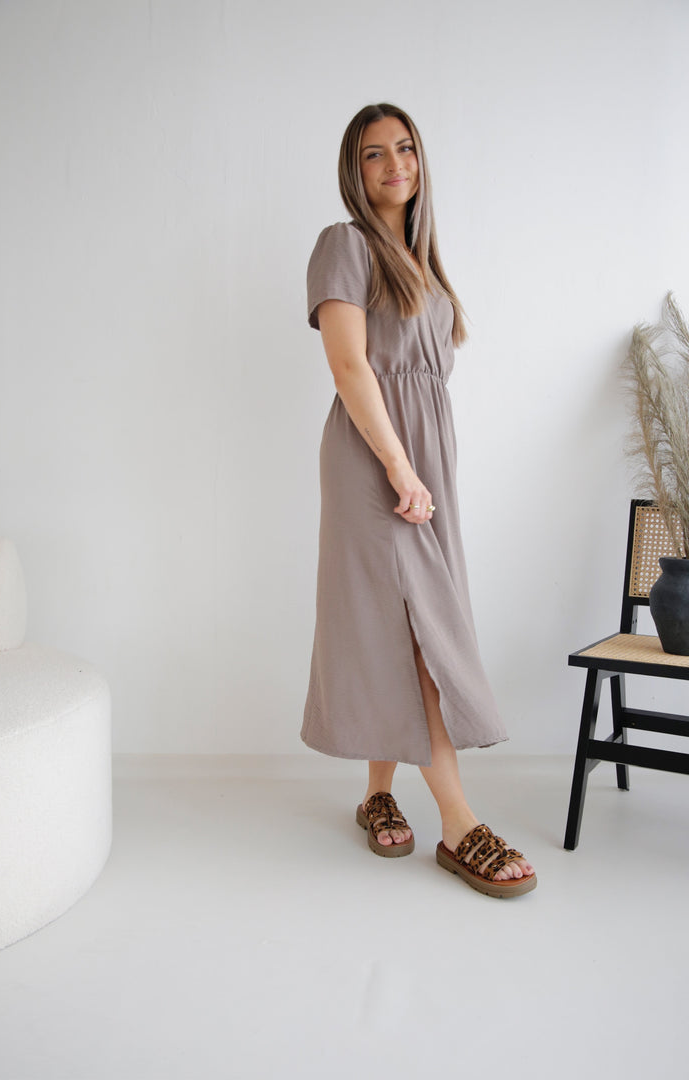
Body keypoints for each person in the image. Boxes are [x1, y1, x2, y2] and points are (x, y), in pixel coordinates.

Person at [302, 103, 536, 897]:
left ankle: (377, 793)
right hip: (376, 460)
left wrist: (423, 469)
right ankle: (461, 822)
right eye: (374, 153)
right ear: (354, 169)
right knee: (418, 634)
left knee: (401, 625)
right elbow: (349, 366)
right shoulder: (344, 245)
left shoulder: (423, 264)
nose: (394, 163)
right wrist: (400, 469)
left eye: (405, 148)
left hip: (426, 463)